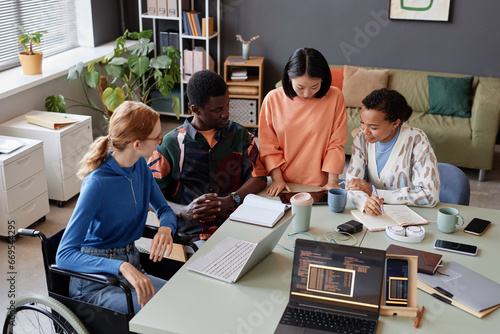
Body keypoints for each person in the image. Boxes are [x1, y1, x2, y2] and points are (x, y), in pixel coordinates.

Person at [56, 101, 177, 315]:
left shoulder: (139, 165)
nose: (161, 140)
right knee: (160, 313)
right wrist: (120, 267)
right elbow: (64, 255)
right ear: (137, 144)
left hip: (132, 268)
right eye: (157, 136)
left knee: (178, 301)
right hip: (95, 284)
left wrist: (165, 228)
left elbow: (165, 211)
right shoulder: (97, 184)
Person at [148, 70, 267, 246]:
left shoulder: (240, 134)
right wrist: (184, 211)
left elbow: (259, 177)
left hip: (237, 224)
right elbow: (149, 197)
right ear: (195, 109)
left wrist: (231, 199)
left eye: (227, 105)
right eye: (217, 110)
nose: (226, 114)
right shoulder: (170, 144)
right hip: (193, 235)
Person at [258, 47, 348, 196]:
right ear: (288, 76)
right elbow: (268, 146)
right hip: (284, 183)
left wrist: (332, 181)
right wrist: (277, 179)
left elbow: (336, 143)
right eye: (300, 87)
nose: (307, 94)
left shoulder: (335, 96)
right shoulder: (272, 99)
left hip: (320, 185)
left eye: (314, 86)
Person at [346, 88, 440, 216]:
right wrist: (364, 202)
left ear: (395, 123)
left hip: (409, 218)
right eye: (362, 123)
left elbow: (430, 196)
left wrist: (374, 193)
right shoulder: (361, 138)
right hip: (373, 217)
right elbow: (352, 183)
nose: (365, 131)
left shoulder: (416, 140)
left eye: (373, 127)